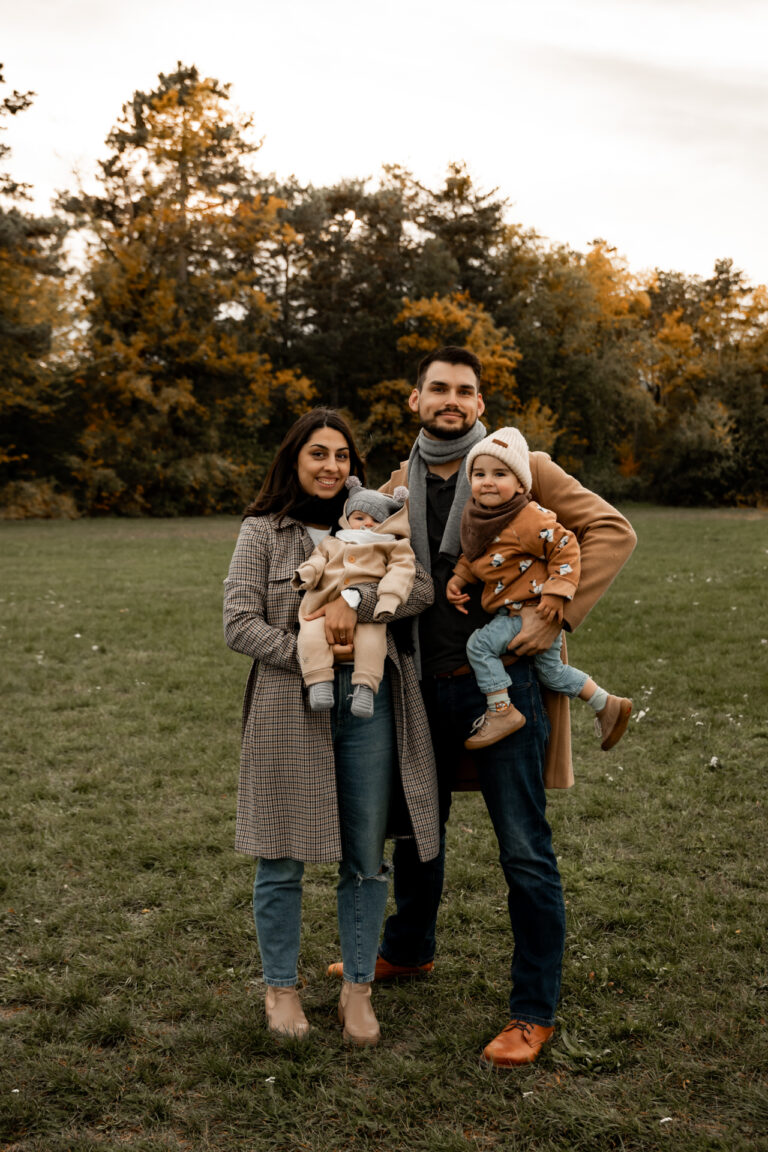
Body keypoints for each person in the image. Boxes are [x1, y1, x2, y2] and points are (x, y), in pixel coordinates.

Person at [326, 347, 636, 1067]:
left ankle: (532, 1011)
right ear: (415, 399)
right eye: (438, 388)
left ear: (480, 403)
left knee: (523, 846)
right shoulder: (400, 482)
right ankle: (409, 949)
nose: (451, 400)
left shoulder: (524, 466)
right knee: (416, 829)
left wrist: (553, 616)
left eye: (464, 390)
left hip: (503, 687)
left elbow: (612, 531)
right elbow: (362, 547)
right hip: (417, 684)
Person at [223, 408, 439, 1048]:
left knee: (366, 857)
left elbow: (420, 589)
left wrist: (355, 603)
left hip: (371, 705)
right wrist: (312, 649)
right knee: (281, 855)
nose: (331, 466)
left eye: (342, 456)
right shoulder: (263, 531)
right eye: (318, 453)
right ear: (294, 459)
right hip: (288, 705)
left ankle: (358, 988)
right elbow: (238, 622)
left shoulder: (379, 522)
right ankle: (281, 987)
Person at [447, 426, 632, 752]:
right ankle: (606, 703)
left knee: (479, 646)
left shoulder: (527, 517)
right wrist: (459, 578)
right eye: (479, 474)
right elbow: (476, 554)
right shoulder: (481, 516)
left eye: (500, 474)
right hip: (517, 609)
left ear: (521, 484)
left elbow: (565, 546)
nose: (487, 481)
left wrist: (557, 593)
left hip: (526, 610)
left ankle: (501, 710)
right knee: (553, 673)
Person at [293, 477, 415, 719]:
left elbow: (402, 571)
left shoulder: (392, 545)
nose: (367, 524)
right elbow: (317, 560)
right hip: (321, 604)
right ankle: (318, 682)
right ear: (347, 518)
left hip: (369, 612)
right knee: (310, 634)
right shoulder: (333, 542)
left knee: (372, 643)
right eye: (360, 518)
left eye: (376, 520)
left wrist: (389, 597)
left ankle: (365, 688)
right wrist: (307, 574)